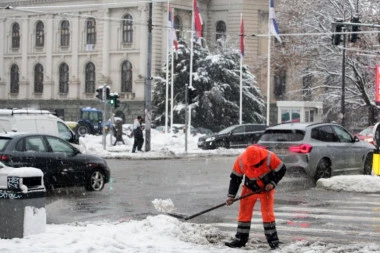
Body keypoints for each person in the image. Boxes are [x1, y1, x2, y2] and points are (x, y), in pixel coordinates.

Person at [225, 145, 286, 250]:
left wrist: (272, 183)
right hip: (249, 188)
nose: (255, 167)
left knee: (268, 214)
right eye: (253, 165)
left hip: (266, 189)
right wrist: (231, 196)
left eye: (257, 164)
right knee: (244, 213)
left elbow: (282, 169)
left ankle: (273, 242)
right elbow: (235, 179)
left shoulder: (269, 157)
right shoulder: (240, 161)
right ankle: (240, 239)